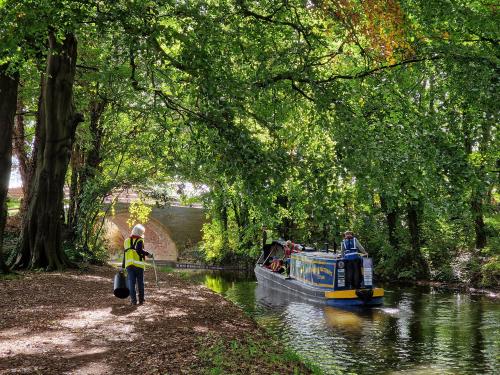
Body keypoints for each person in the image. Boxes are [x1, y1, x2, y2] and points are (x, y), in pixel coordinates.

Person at [123, 224, 153, 305]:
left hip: (129, 265)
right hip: (138, 265)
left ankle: (133, 301)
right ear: (140, 232)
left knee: (131, 283)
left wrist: (123, 266)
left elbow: (125, 253)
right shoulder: (140, 240)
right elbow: (139, 250)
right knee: (140, 283)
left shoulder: (126, 241)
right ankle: (141, 300)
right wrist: (148, 254)